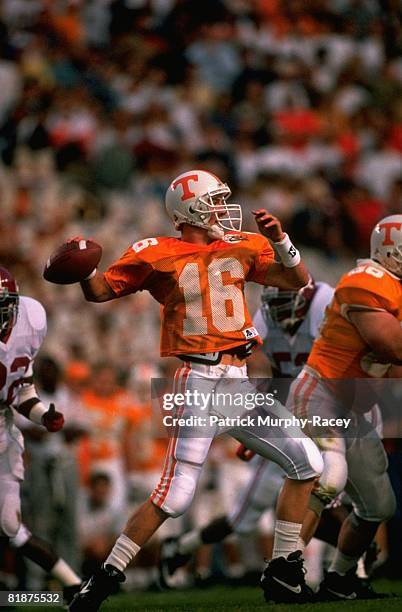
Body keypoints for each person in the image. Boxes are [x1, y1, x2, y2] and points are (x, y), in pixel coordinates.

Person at [67, 168, 323, 610]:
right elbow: (100, 291)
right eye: (214, 202)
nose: (223, 210)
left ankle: (283, 570)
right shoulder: (156, 252)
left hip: (237, 382)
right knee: (178, 495)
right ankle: (103, 578)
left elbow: (297, 280)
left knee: (306, 461)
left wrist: (282, 241)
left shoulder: (242, 244)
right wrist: (83, 267)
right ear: (189, 210)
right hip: (199, 380)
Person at [286, 214, 402, 600]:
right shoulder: (366, 281)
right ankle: (283, 568)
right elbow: (392, 346)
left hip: (355, 405)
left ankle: (340, 578)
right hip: (322, 394)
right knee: (329, 477)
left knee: (378, 505)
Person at [0, 266, 81, 602]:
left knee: (10, 526)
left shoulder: (30, 321)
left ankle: (75, 585)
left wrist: (41, 415)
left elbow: (21, 392)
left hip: (3, 434)